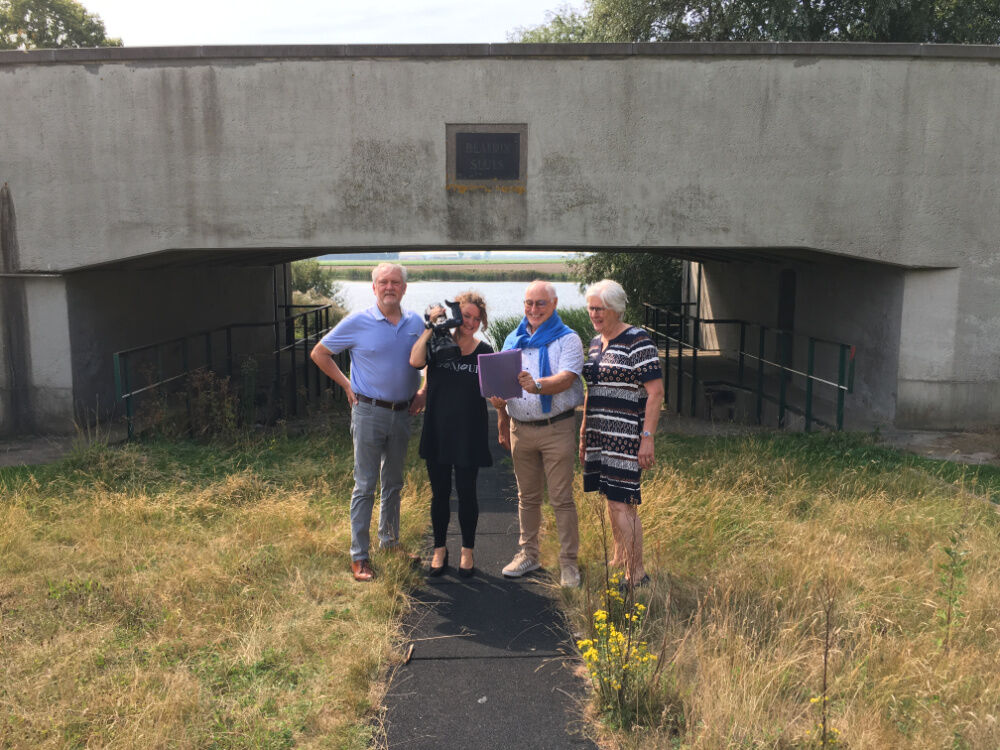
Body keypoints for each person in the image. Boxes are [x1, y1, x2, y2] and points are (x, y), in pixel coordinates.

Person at [310, 262, 426, 583]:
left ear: (404, 288)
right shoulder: (358, 322)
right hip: (368, 412)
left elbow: (432, 358)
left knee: (393, 483)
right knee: (365, 485)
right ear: (374, 288)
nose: (390, 287)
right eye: (383, 282)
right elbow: (320, 353)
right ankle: (359, 556)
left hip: (403, 413)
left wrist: (424, 392)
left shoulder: (416, 322)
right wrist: (347, 385)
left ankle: (389, 543)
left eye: (395, 282)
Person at [491, 280, 585, 587]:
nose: (533, 309)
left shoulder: (568, 339)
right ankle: (528, 555)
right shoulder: (512, 338)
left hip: (556, 428)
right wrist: (500, 410)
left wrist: (539, 385)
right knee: (527, 497)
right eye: (529, 303)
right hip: (521, 429)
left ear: (554, 305)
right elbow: (502, 383)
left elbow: (567, 378)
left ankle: (568, 564)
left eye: (540, 303)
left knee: (561, 499)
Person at [578, 279, 664, 588]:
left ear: (616, 309)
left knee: (622, 502)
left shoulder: (637, 340)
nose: (594, 314)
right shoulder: (595, 341)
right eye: (591, 308)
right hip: (600, 435)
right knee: (609, 496)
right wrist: (584, 429)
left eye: (599, 309)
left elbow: (656, 393)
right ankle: (619, 557)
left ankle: (637, 572)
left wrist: (647, 438)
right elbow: (593, 389)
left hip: (626, 436)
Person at [409, 292, 493, 578]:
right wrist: (430, 327)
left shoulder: (485, 352)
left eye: (475, 318)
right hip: (438, 429)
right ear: (456, 315)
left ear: (481, 322)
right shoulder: (438, 342)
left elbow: (495, 394)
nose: (469, 322)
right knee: (440, 493)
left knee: (468, 493)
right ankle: (439, 549)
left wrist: (504, 403)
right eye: (466, 316)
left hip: (469, 431)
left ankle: (467, 551)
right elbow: (415, 361)